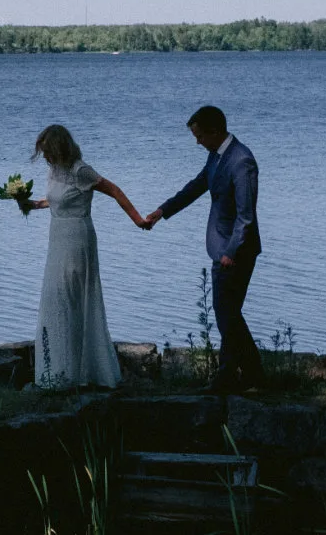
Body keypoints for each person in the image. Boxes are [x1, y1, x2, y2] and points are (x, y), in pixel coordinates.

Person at [136, 105, 262, 391]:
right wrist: (162, 211)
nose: (197, 142)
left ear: (215, 131)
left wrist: (231, 251)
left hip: (237, 251)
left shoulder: (241, 161)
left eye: (199, 136)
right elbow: (195, 187)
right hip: (221, 249)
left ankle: (233, 376)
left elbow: (246, 215)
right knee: (227, 314)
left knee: (226, 314)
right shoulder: (216, 157)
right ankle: (247, 375)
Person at [24, 124, 146, 388]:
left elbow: (115, 190)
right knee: (55, 297)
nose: (44, 156)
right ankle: (57, 371)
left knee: (74, 296)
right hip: (57, 239)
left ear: (59, 148)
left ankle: (84, 371)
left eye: (47, 151)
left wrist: (137, 219)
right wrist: (31, 204)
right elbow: (55, 200)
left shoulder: (81, 170)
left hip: (78, 238)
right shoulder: (54, 170)